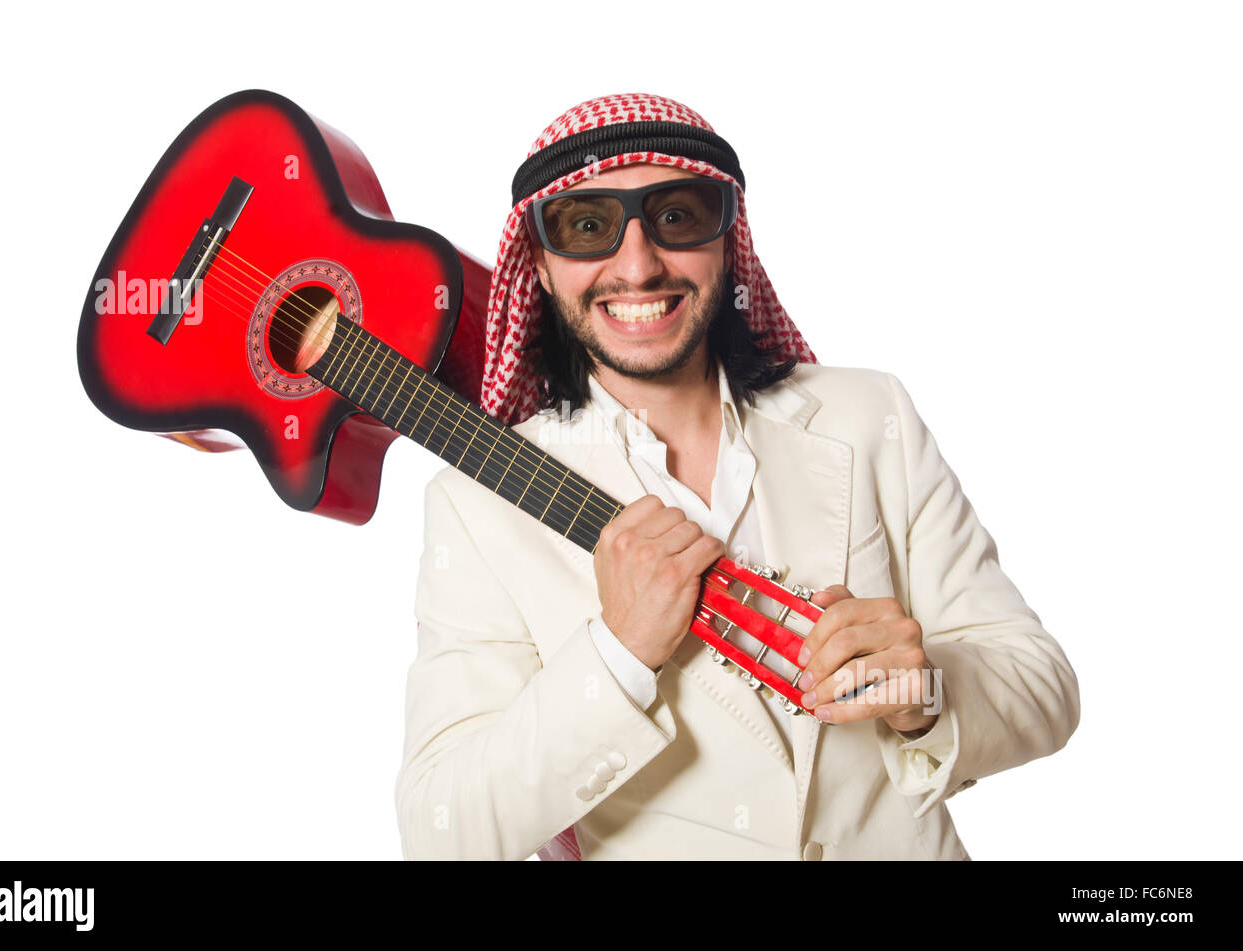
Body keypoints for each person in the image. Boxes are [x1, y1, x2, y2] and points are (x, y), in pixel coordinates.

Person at [394, 93, 1080, 860]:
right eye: (588, 225)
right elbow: (440, 827)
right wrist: (617, 654)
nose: (637, 264)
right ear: (542, 269)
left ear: (728, 240)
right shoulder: (476, 506)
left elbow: (1044, 684)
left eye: (677, 216)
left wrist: (923, 694)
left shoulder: (868, 415)